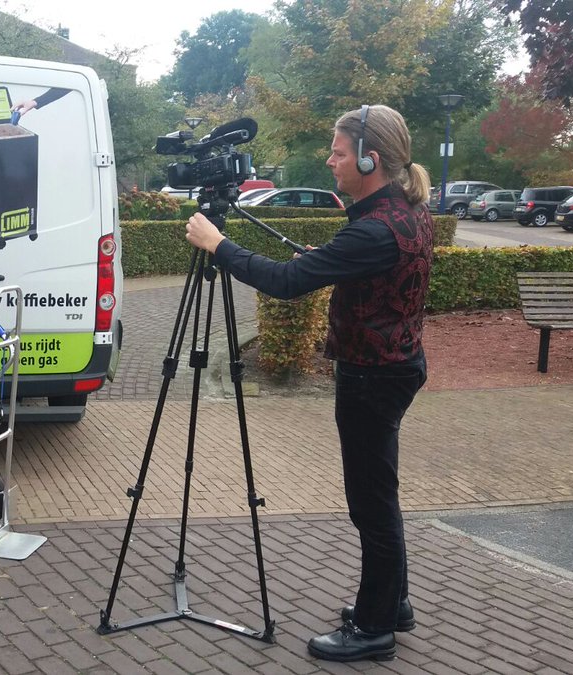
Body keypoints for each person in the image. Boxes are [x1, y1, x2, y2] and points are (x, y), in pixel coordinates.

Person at [184, 105, 433, 663]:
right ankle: (392, 604)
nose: (331, 160)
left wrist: (217, 244)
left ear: (370, 159)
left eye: (339, 152)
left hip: (373, 377)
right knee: (379, 496)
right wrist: (331, 260)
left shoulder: (376, 227)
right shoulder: (404, 212)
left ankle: (374, 629)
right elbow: (356, 265)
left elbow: (288, 282)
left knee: (371, 503)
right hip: (395, 366)